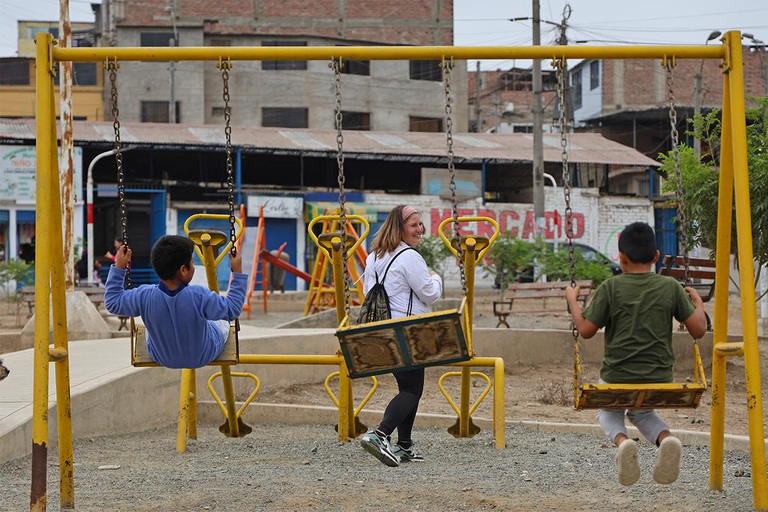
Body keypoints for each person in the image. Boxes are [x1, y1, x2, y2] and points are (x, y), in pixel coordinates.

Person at [565, 222, 707, 486]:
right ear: (656, 256)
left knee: (607, 411)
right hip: (659, 379)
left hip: (617, 375)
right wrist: (697, 303)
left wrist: (572, 300)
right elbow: (699, 330)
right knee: (641, 412)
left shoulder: (610, 287)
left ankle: (623, 442)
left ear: (621, 257)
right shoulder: (671, 288)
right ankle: (667, 438)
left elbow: (585, 330)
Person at [359, 205, 442, 467]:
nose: (420, 229)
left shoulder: (373, 257)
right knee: (411, 389)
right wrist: (435, 277)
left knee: (407, 387)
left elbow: (366, 293)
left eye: (420, 224)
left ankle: (404, 445)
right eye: (414, 225)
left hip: (382, 332)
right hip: (408, 331)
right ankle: (380, 434)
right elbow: (430, 294)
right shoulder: (409, 257)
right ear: (400, 228)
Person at [104, 235, 247, 369]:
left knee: (151, 325)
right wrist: (237, 272)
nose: (194, 267)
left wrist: (119, 267)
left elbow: (112, 302)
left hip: (162, 357)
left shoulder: (143, 296)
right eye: (192, 263)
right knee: (222, 322)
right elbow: (232, 309)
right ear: (183, 270)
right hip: (202, 355)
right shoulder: (199, 296)